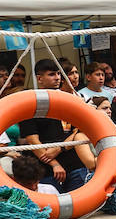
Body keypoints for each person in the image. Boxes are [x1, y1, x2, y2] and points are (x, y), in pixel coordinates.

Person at [19, 60, 89, 192]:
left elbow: (80, 130)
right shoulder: (29, 105)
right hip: (48, 172)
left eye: (58, 73)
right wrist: (55, 164)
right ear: (39, 78)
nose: (57, 77)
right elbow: (33, 141)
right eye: (51, 74)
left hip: (75, 166)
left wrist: (59, 148)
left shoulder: (71, 101)